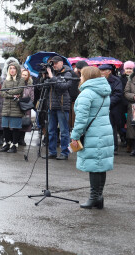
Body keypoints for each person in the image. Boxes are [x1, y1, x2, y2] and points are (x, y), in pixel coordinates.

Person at [69, 66, 114, 209]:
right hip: (105, 131)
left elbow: (81, 119)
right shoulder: (104, 91)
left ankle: (94, 197)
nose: (80, 78)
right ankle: (98, 197)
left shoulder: (86, 93)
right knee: (100, 165)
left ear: (86, 76)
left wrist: (75, 136)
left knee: (95, 166)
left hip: (93, 133)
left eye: (81, 75)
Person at [42, 56, 74, 160]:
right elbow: (42, 87)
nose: (54, 65)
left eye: (56, 63)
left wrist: (52, 77)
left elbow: (63, 87)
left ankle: (65, 153)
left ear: (61, 63)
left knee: (64, 131)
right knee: (51, 130)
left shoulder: (67, 73)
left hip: (62, 106)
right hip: (51, 105)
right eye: (53, 64)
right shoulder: (52, 73)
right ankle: (52, 152)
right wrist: (44, 77)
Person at [0, 61, 26, 153]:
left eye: (14, 68)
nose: (12, 70)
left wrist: (8, 92)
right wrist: (11, 95)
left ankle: (14, 145)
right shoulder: (6, 80)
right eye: (10, 68)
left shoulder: (21, 80)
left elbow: (19, 90)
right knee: (5, 127)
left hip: (16, 106)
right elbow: (2, 92)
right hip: (6, 106)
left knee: (15, 127)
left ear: (17, 69)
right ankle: (7, 143)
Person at [98, 64, 123, 157]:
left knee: (112, 128)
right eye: (100, 71)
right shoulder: (98, 80)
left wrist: (107, 103)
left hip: (112, 108)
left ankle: (114, 148)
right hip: (101, 107)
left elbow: (118, 94)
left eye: (103, 71)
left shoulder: (116, 80)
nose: (101, 72)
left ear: (109, 71)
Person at [19, 68, 35, 144]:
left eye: (25, 75)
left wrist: (27, 104)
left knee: (25, 123)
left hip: (27, 106)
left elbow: (32, 97)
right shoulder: (17, 83)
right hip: (18, 105)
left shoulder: (30, 85)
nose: (24, 76)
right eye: (22, 74)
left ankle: (22, 138)